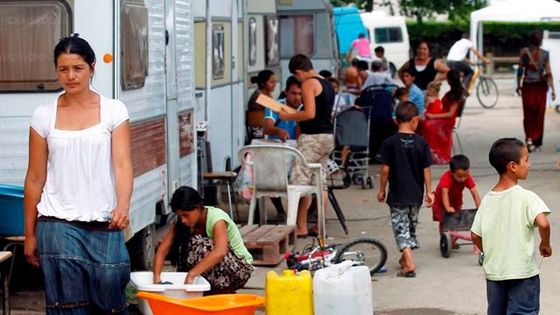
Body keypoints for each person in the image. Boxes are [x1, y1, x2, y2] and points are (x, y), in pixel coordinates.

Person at [23, 34, 133, 314]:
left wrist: (122, 206)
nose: (70, 76)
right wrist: (30, 233)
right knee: (67, 306)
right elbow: (35, 177)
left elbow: (122, 164)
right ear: (56, 71)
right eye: (63, 69)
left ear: (92, 67)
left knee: (110, 299)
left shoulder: (113, 110)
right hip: (57, 224)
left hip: (104, 223)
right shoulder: (43, 115)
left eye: (78, 68)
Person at [471, 138, 551, 315]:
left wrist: (491, 251)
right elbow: (543, 223)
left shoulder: (487, 200)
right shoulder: (527, 197)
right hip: (524, 274)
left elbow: (475, 236)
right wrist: (545, 244)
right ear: (513, 166)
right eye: (526, 159)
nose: (529, 164)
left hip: (495, 275)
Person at [153, 186, 253, 295]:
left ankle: (223, 292)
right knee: (186, 245)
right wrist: (157, 280)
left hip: (239, 269)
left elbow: (220, 252)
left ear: (198, 207)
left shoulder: (217, 219)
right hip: (217, 270)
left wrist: (191, 274)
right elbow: (162, 250)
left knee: (199, 245)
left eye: (186, 215)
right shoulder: (181, 223)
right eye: (180, 216)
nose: (183, 220)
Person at [278, 54, 335, 237]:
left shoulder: (309, 83)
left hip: (312, 138)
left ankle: (296, 227)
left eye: (297, 78)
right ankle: (320, 226)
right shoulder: (326, 83)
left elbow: (309, 113)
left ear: (299, 72)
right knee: (320, 183)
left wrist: (289, 116)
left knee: (297, 183)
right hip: (327, 137)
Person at [376, 101, 434, 278]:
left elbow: (385, 170)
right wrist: (429, 191)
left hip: (398, 195)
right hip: (416, 195)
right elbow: (426, 169)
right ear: (415, 120)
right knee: (410, 227)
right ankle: (404, 259)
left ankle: (409, 264)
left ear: (396, 120)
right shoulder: (421, 143)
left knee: (401, 229)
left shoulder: (390, 143)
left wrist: (382, 189)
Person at [516, 32, 556, 152]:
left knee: (528, 114)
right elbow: (548, 73)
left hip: (528, 87)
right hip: (540, 87)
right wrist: (553, 89)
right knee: (539, 114)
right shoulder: (545, 54)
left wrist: (518, 85)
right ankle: (537, 142)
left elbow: (520, 70)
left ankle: (529, 138)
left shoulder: (524, 52)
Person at [419, 69, 464, 164]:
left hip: (448, 120)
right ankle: (426, 153)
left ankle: (436, 154)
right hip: (442, 116)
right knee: (422, 122)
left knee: (428, 125)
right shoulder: (452, 92)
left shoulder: (456, 94)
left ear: (449, 80)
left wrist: (434, 116)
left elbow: (451, 114)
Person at [432, 154, 481, 241]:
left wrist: (479, 206)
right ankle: (444, 240)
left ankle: (452, 240)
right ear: (452, 172)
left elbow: (474, 192)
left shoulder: (467, 177)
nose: (463, 179)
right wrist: (447, 207)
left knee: (456, 221)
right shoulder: (446, 178)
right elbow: (444, 193)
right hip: (441, 202)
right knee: (443, 221)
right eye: (459, 176)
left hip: (455, 201)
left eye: (465, 176)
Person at [263, 76, 302, 141]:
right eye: (294, 93)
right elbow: (267, 128)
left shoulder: (308, 108)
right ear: (286, 91)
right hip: (278, 148)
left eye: (300, 94)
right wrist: (278, 131)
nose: (297, 98)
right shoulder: (275, 105)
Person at [246, 70, 277, 143]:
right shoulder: (259, 96)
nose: (274, 84)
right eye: (271, 82)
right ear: (263, 83)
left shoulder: (266, 94)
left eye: (275, 82)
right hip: (259, 132)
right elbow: (276, 109)